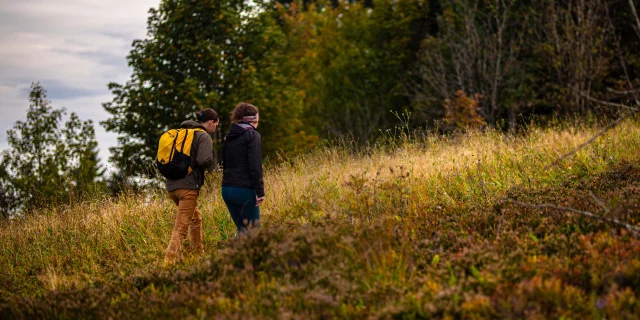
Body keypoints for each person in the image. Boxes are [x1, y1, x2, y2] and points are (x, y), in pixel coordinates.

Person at [164, 108, 219, 264]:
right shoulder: (203, 136)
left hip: (171, 186)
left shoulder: (180, 133)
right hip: (187, 188)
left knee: (195, 218)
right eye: (216, 125)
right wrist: (210, 161)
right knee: (180, 229)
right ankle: (168, 263)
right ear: (211, 122)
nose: (215, 129)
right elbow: (203, 160)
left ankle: (198, 255)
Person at [221, 102, 265, 236]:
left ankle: (230, 256)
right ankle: (231, 257)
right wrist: (260, 191)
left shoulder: (229, 137)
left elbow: (226, 164)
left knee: (242, 230)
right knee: (253, 232)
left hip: (227, 189)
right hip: (244, 190)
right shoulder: (252, 135)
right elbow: (255, 166)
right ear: (254, 119)